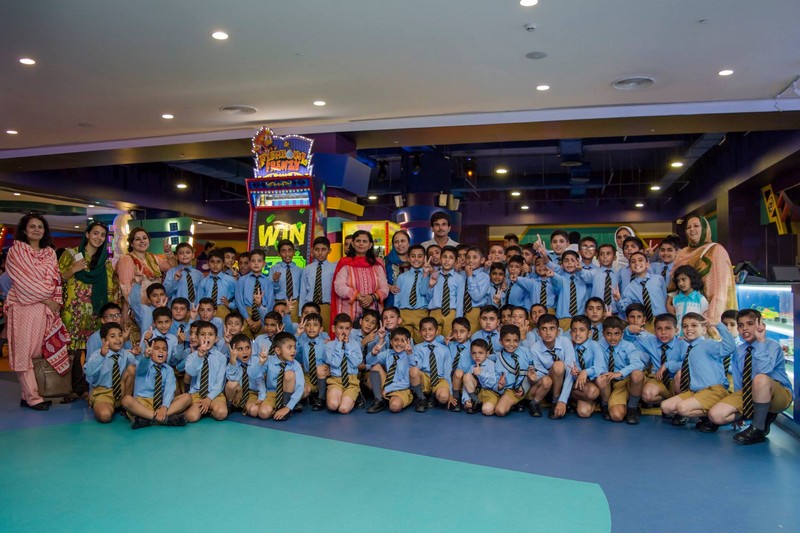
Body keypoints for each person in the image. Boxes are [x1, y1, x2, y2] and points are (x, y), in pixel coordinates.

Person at [6, 213, 69, 410]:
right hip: (23, 307)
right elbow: (24, 283)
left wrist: (50, 300)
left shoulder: (50, 253)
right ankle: (33, 398)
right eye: (32, 226)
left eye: (40, 227)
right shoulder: (16, 252)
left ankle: (27, 395)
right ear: (24, 230)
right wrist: (47, 298)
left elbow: (54, 281)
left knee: (36, 352)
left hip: (44, 309)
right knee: (23, 352)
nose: (36, 230)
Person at [707, 309, 793, 444]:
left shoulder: (772, 346)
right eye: (741, 325)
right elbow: (739, 381)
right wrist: (740, 407)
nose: (745, 328)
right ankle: (759, 417)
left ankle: (758, 428)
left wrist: (760, 341)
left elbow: (764, 370)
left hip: (778, 394)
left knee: (760, 378)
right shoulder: (739, 350)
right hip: (750, 392)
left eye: (750, 324)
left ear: (761, 325)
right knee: (715, 415)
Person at [58, 221, 119, 402]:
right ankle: (73, 388)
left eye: (102, 235)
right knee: (74, 351)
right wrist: (73, 270)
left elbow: (110, 289)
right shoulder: (70, 255)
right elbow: (57, 279)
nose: (99, 238)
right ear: (87, 234)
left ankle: (90, 386)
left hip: (96, 312)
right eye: (95, 233)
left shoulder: (105, 263)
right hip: (74, 312)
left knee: (94, 348)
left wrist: (109, 313)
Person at [659, 312, 735, 428]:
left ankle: (711, 415)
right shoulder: (690, 348)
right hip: (695, 391)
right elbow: (684, 364)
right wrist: (667, 365)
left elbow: (729, 347)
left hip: (713, 390)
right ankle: (705, 411)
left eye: (694, 325)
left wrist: (718, 325)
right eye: (685, 326)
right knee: (665, 406)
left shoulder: (708, 344)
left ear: (704, 330)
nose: (689, 328)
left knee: (682, 408)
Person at [669, 215, 735, 325]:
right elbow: (674, 282)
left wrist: (714, 316)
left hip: (710, 305)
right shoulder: (682, 253)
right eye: (688, 227)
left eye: (696, 226)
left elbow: (721, 287)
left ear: (705, 229)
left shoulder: (716, 250)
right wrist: (668, 304)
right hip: (684, 304)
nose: (692, 229)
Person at [122, 337, 191, 429]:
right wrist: (146, 357)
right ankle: (163, 419)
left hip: (161, 403)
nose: (161, 351)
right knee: (126, 400)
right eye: (157, 348)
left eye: (164, 349)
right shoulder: (143, 364)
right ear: (151, 351)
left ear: (167, 354)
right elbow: (142, 366)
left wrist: (164, 406)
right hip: (143, 403)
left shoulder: (169, 370)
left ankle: (148, 419)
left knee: (187, 397)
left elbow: (169, 390)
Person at [331, 230, 389, 334]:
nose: (361, 244)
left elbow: (385, 288)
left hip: (372, 314)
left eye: (364, 241)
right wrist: (357, 296)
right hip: (348, 313)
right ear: (353, 244)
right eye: (358, 241)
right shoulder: (345, 263)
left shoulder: (377, 264)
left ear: (370, 245)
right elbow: (339, 286)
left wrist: (371, 297)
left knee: (372, 340)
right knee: (347, 339)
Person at [84, 323, 138, 422]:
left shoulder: (126, 354)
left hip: (122, 391)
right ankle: (106, 406)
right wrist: (101, 355)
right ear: (104, 341)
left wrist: (143, 356)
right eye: (113, 336)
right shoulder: (97, 354)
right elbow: (89, 372)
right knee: (105, 416)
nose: (118, 339)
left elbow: (140, 369)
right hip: (103, 392)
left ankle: (125, 404)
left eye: (120, 335)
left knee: (132, 368)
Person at [115, 227, 176, 304]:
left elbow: (172, 267)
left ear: (149, 241)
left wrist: (168, 252)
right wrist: (138, 307)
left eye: (144, 238)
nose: (142, 241)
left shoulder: (152, 258)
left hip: (155, 304)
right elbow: (126, 289)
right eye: (137, 239)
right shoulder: (127, 259)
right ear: (131, 244)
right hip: (138, 305)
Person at [184, 320, 229, 422]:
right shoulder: (192, 356)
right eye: (202, 334)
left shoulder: (221, 358)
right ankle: (201, 410)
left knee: (221, 413)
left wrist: (209, 398)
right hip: (197, 393)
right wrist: (199, 357)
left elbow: (220, 383)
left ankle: (207, 410)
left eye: (210, 334)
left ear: (216, 339)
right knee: (192, 417)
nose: (206, 337)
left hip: (215, 394)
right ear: (197, 338)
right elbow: (191, 373)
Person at [254, 331, 304, 421]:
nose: (293, 350)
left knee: (289, 374)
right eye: (289, 347)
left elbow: (300, 388)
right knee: (263, 414)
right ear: (278, 350)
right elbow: (256, 376)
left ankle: (286, 406)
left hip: (289, 394)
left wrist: (288, 407)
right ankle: (279, 409)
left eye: (294, 347)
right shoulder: (269, 360)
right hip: (272, 393)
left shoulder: (296, 365)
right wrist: (260, 363)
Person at [366, 327, 415, 413]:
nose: (399, 343)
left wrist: (388, 389)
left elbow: (407, 382)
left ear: (408, 342)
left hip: (401, 388)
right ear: (391, 342)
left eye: (403, 340)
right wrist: (373, 353)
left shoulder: (410, 356)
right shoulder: (388, 353)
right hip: (388, 384)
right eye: (396, 340)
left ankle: (390, 398)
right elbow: (370, 362)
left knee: (395, 407)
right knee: (375, 366)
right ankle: (379, 399)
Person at [299, 237, 335, 330]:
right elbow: (303, 292)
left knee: (326, 332)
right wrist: (300, 313)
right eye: (317, 249)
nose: (320, 253)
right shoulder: (307, 269)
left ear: (329, 250)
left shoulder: (334, 268)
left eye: (323, 249)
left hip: (327, 306)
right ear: (312, 250)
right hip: (310, 307)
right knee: (310, 331)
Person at [271, 239, 303, 322]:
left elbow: (301, 291)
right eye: (283, 251)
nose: (287, 254)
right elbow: (271, 291)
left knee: (293, 326)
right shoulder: (274, 269)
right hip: (278, 303)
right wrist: (275, 281)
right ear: (279, 254)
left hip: (294, 303)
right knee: (278, 325)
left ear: (294, 252)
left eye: (289, 250)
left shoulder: (300, 270)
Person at [163, 242, 203, 308]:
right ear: (176, 256)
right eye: (181, 253)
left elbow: (201, 294)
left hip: (194, 309)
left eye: (188, 252)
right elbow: (165, 293)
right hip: (176, 310)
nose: (185, 255)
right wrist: (175, 280)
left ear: (193, 255)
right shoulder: (171, 272)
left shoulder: (199, 274)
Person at [385, 230, 411, 307]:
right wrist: (389, 287)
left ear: (408, 243)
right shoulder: (385, 261)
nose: (400, 244)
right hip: (391, 304)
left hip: (413, 305)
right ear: (393, 244)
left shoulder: (416, 261)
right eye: (396, 242)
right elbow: (378, 282)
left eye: (403, 241)